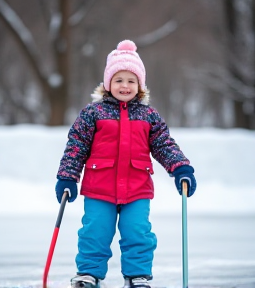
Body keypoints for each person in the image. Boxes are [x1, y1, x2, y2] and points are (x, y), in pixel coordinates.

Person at [55, 40, 197, 288]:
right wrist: (67, 176)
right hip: (100, 188)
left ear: (140, 85)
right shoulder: (93, 113)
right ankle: (88, 274)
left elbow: (164, 144)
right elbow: (76, 146)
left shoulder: (148, 115)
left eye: (131, 81)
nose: (125, 86)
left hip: (137, 188)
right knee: (94, 233)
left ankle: (137, 276)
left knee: (138, 234)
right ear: (108, 83)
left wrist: (180, 168)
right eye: (119, 79)